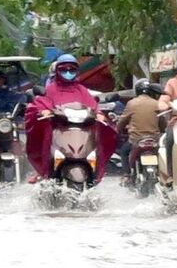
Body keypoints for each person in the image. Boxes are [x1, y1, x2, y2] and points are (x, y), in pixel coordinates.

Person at [23, 53, 118, 184]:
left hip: (82, 132)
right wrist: (43, 111)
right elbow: (40, 104)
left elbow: (93, 105)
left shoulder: (82, 90)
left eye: (72, 69)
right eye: (64, 69)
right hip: (59, 131)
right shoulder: (50, 89)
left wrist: (99, 114)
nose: (68, 72)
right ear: (57, 70)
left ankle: (93, 174)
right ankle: (45, 171)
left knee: (105, 133)